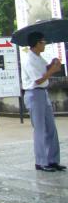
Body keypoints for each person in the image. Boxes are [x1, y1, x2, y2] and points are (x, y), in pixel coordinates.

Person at [21, 31, 65, 172]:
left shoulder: (38, 57)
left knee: (51, 127)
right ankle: (41, 162)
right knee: (40, 129)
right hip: (34, 94)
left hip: (43, 93)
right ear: (36, 43)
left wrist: (53, 64)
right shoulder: (29, 60)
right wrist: (52, 71)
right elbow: (38, 80)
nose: (44, 44)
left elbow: (45, 69)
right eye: (43, 42)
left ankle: (53, 160)